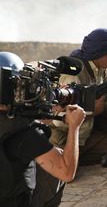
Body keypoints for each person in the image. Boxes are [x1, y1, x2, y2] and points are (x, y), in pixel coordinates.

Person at [0, 51, 86, 206]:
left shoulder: (18, 126)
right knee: (57, 161)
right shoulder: (26, 134)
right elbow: (66, 173)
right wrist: (74, 127)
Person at [50, 28, 107, 167]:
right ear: (101, 53)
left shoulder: (100, 69)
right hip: (63, 136)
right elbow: (60, 118)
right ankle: (66, 158)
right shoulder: (74, 74)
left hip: (84, 136)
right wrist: (93, 111)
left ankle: (74, 158)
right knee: (64, 174)